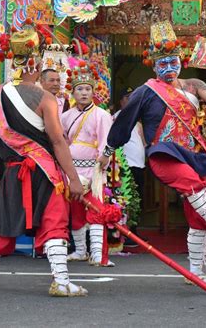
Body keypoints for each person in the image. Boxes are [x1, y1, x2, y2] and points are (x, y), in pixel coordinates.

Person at [97, 20, 206, 286]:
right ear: (154, 65)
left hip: (192, 153)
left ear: (180, 60)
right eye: (163, 64)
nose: (169, 69)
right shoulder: (146, 92)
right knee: (194, 185)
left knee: (196, 212)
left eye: (173, 62)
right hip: (163, 153)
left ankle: (196, 271)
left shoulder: (193, 85)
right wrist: (108, 151)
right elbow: (124, 122)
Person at [0, 20, 87, 297]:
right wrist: (73, 179)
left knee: (5, 224)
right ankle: (60, 281)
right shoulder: (44, 98)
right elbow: (58, 141)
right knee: (54, 219)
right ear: (35, 63)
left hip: (12, 172)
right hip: (45, 173)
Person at [60, 58, 114, 266]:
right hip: (72, 169)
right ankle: (81, 250)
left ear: (93, 92)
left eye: (87, 89)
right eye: (79, 89)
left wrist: (103, 159)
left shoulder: (102, 115)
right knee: (75, 209)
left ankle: (98, 253)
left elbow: (106, 140)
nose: (83, 93)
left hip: (94, 168)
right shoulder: (65, 116)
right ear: (73, 93)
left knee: (96, 209)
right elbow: (62, 142)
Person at [115, 87, 146, 247]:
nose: (131, 100)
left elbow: (143, 141)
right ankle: (126, 234)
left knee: (137, 199)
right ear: (122, 101)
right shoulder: (117, 117)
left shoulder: (137, 120)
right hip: (126, 164)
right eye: (128, 97)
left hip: (139, 164)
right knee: (127, 198)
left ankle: (133, 232)